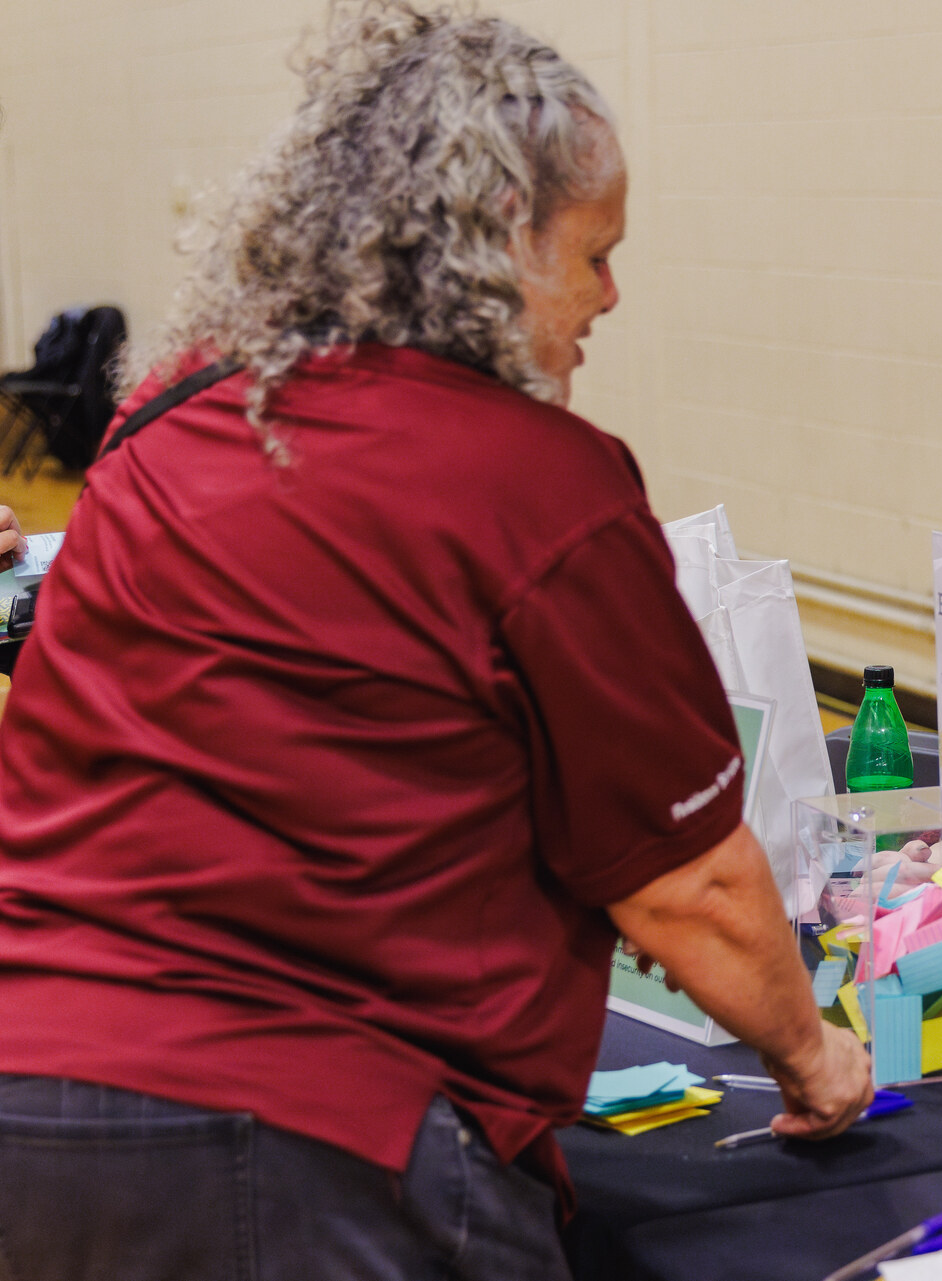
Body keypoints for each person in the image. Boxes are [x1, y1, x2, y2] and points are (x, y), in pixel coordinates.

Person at [0, 3, 868, 1276]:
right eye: (596, 253)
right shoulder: (535, 484)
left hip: (34, 1094)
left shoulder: (168, 419)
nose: (610, 297)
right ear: (499, 243)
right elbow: (695, 887)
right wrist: (816, 1057)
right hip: (307, 1145)